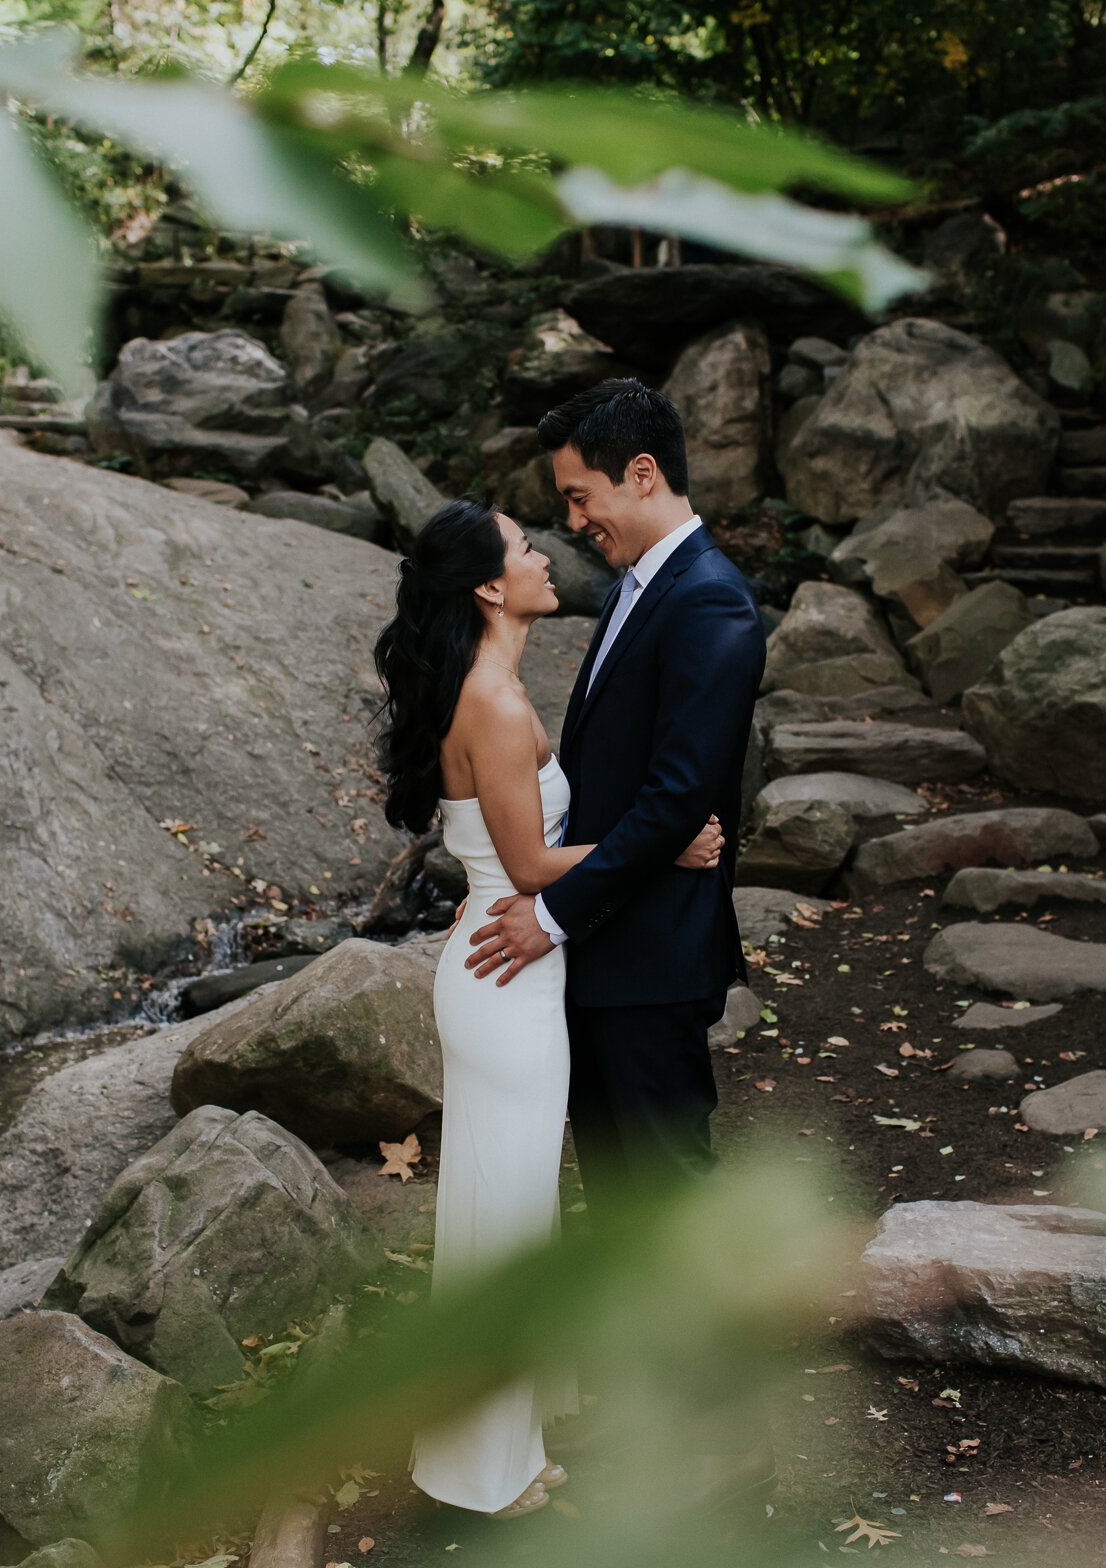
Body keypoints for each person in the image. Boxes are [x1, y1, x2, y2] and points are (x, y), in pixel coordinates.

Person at [373, 498, 726, 1521]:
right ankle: (480, 1467)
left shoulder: (496, 687)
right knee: (503, 1220)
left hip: (511, 970)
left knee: (509, 1207)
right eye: (526, 546)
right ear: (489, 585)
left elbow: (509, 864)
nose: (544, 554)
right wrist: (665, 848)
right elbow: (527, 865)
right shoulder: (489, 698)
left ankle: (500, 1442)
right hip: (506, 980)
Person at [462, 378, 772, 1508]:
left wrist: (549, 912)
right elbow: (625, 791)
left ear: (642, 473)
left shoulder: (711, 604)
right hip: (610, 950)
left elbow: (682, 788)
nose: (574, 519)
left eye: (582, 494)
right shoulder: (641, 590)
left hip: (648, 959)